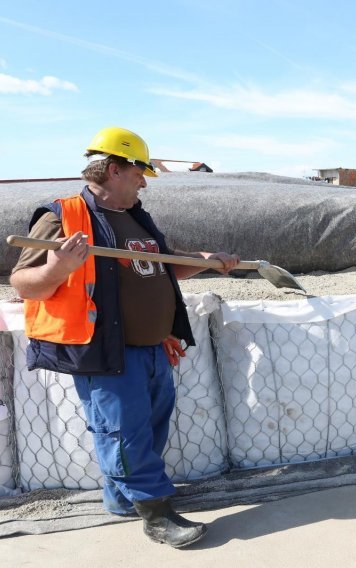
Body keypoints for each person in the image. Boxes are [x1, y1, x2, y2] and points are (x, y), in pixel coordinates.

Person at [10, 126, 240, 547]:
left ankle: (121, 499)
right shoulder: (61, 215)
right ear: (114, 170)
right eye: (138, 173)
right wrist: (59, 267)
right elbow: (24, 283)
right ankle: (156, 515)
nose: (144, 181)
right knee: (124, 433)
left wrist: (203, 261)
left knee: (150, 428)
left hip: (153, 348)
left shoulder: (136, 215)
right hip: (106, 351)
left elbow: (159, 268)